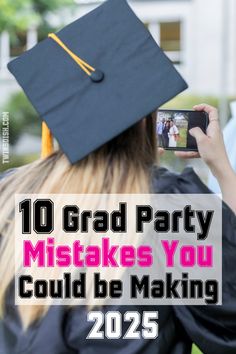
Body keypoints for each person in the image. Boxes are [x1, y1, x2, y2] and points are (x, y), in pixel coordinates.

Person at [0, 0, 236, 353]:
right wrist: (222, 168)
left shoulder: (11, 196)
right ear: (146, 121)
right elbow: (228, 317)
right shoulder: (173, 206)